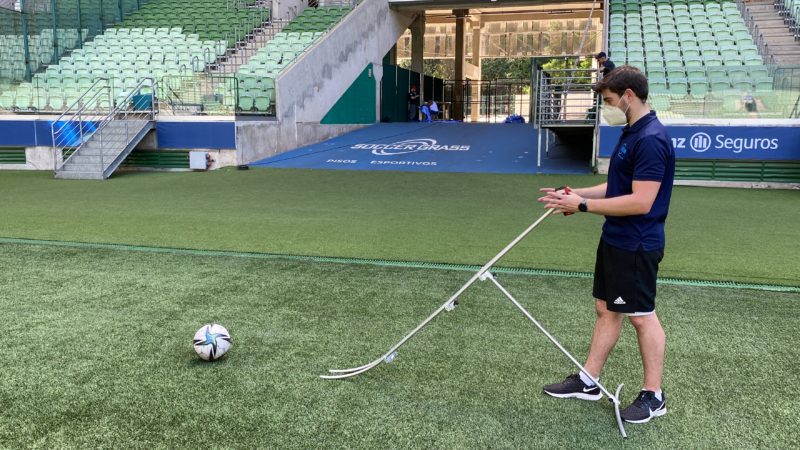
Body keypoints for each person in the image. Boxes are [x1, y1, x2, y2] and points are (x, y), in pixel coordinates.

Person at [537, 66, 675, 425]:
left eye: (610, 101)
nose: (608, 107)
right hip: (616, 238)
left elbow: (641, 201)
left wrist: (581, 206)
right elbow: (618, 189)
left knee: (641, 318)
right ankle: (589, 380)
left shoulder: (651, 139)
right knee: (606, 308)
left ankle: (654, 395)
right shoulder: (631, 132)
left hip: (637, 244)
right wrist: (574, 193)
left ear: (629, 95)